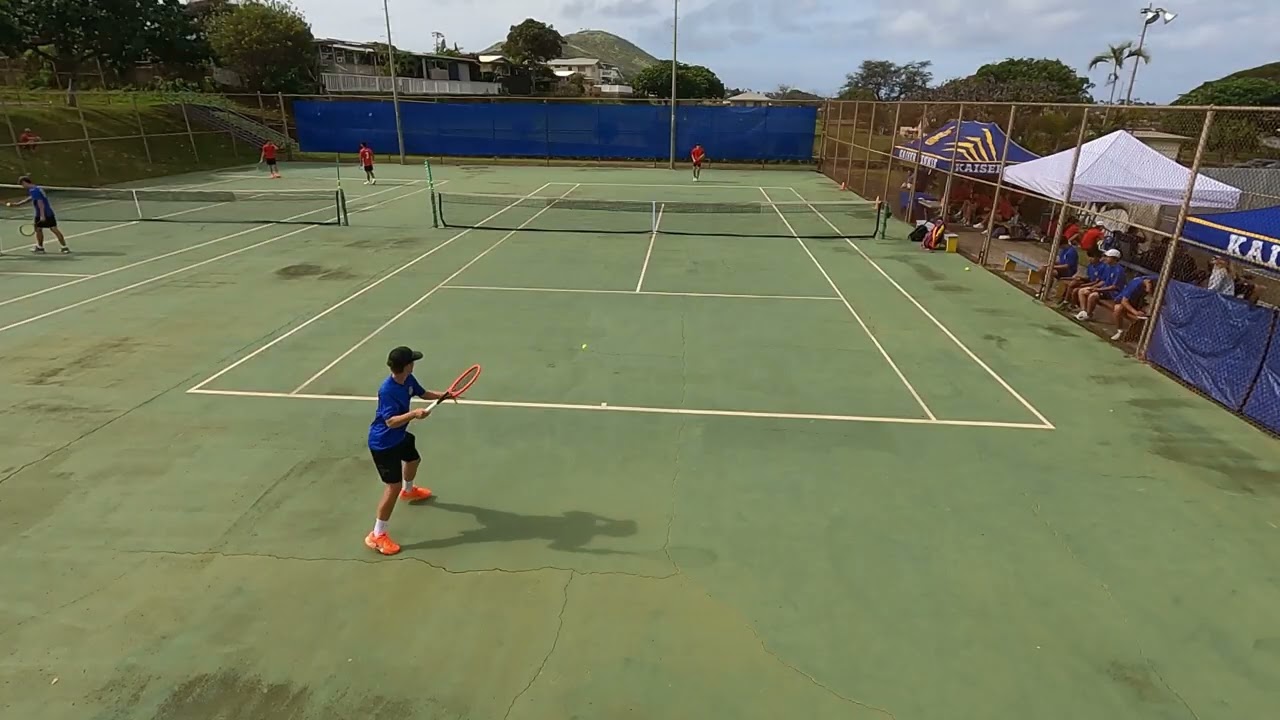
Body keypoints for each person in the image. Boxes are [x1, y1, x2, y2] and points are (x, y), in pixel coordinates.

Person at [365, 346, 453, 556]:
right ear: (406, 366)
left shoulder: (408, 380)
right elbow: (391, 421)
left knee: (413, 460)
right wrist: (413, 414)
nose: (414, 363)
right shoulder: (387, 390)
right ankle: (377, 535)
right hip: (383, 443)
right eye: (412, 361)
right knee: (391, 488)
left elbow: (423, 394)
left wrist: (445, 395)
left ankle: (409, 490)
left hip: (399, 437)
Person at [5, 176, 70, 254]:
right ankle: (40, 247)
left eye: (22, 185)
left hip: (45, 213)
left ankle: (64, 247)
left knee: (53, 229)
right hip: (43, 213)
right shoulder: (36, 188)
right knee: (38, 229)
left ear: (25, 182)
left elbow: (40, 203)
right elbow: (31, 198)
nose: (23, 187)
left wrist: (42, 215)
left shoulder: (34, 190)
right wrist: (18, 204)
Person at [1075, 248, 1125, 321]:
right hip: (1105, 290)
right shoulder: (1108, 267)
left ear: (1114, 258)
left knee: (1093, 295)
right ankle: (1083, 312)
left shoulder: (1119, 270)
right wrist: (1093, 287)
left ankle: (1089, 315)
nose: (1105, 258)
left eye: (1108, 257)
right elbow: (1104, 281)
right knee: (1082, 291)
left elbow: (1114, 287)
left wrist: (1098, 289)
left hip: (1113, 294)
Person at [1111, 274, 1156, 341]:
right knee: (1118, 309)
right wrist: (1136, 313)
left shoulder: (1155, 280)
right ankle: (1120, 331)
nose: (1150, 290)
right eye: (1151, 288)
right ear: (1148, 283)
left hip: (1138, 302)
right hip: (1123, 301)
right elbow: (1124, 301)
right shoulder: (1136, 285)